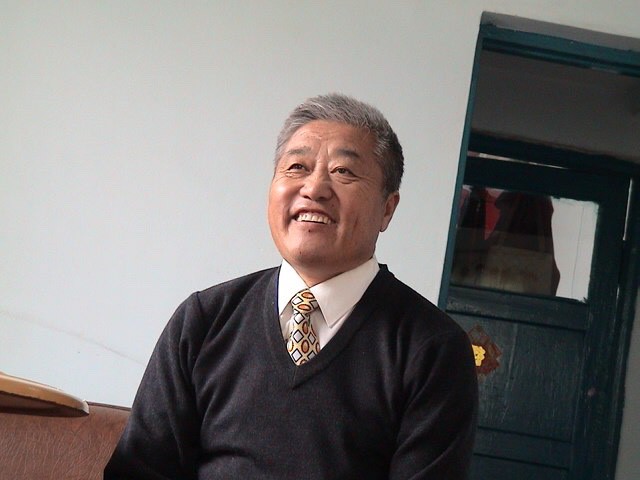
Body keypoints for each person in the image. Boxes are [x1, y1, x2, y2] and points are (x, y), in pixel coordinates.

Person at [105, 93, 478, 479]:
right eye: (297, 167)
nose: (315, 188)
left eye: (343, 172)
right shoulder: (204, 320)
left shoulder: (432, 349)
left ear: (387, 208)